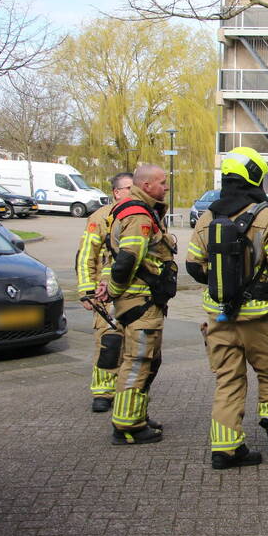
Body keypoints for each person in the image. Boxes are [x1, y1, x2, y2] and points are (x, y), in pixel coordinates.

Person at [186, 148, 268, 470]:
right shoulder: (266, 217)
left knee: (228, 381)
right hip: (259, 317)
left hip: (219, 316)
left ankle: (226, 449)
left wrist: (222, 283)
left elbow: (193, 266)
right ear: (255, 177)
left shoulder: (207, 217)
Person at [95, 164, 177, 446]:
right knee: (138, 361)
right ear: (147, 185)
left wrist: (109, 286)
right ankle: (127, 425)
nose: (166, 187)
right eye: (162, 182)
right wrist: (114, 290)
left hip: (142, 301)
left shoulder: (137, 211)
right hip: (140, 303)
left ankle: (136, 414)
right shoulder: (139, 216)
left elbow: (114, 255)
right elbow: (127, 258)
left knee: (149, 360)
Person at [76, 172, 132, 413]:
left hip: (133, 291)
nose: (134, 192)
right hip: (104, 292)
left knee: (133, 343)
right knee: (108, 341)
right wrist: (87, 290)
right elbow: (86, 255)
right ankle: (103, 392)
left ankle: (125, 388)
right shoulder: (100, 217)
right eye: (129, 188)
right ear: (117, 192)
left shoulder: (140, 215)